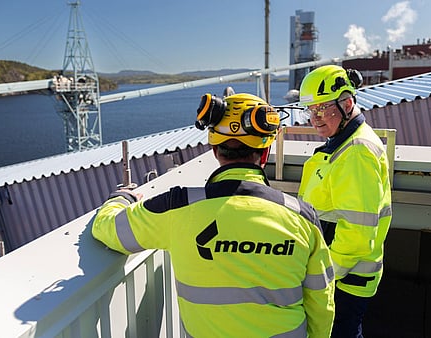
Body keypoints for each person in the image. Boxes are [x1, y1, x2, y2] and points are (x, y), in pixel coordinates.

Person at [91, 92, 336, 337]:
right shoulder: (303, 218)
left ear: (215, 150)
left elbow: (108, 229)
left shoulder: (177, 207)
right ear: (264, 153)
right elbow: (322, 304)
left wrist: (122, 198)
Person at [297, 65, 392, 337]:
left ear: (347, 103)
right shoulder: (342, 143)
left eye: (321, 109)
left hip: (343, 279)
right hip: (340, 274)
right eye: (310, 111)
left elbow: (357, 234)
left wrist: (321, 278)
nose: (314, 118)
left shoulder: (356, 152)